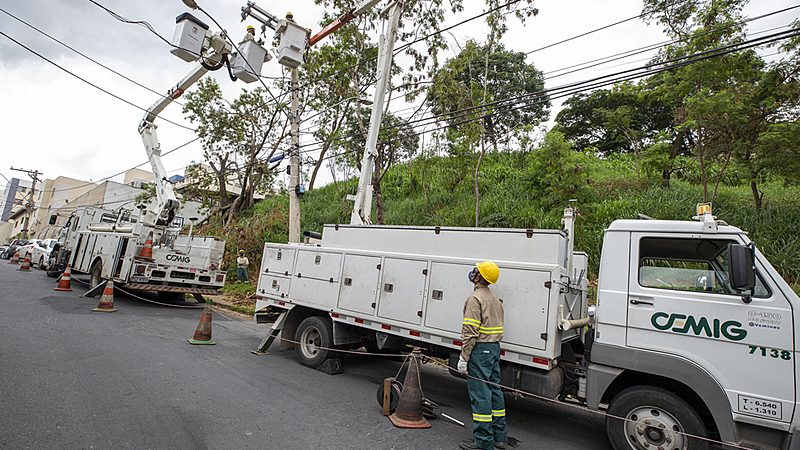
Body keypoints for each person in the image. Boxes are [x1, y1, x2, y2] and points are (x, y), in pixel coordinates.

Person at [458, 261, 506, 450]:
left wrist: (464, 357)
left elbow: (470, 331)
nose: (473, 273)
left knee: (481, 395)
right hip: (494, 348)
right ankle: (499, 437)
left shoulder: (475, 299)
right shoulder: (496, 299)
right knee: (495, 391)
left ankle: (483, 442)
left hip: (480, 350)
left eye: (476, 271)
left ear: (480, 277)